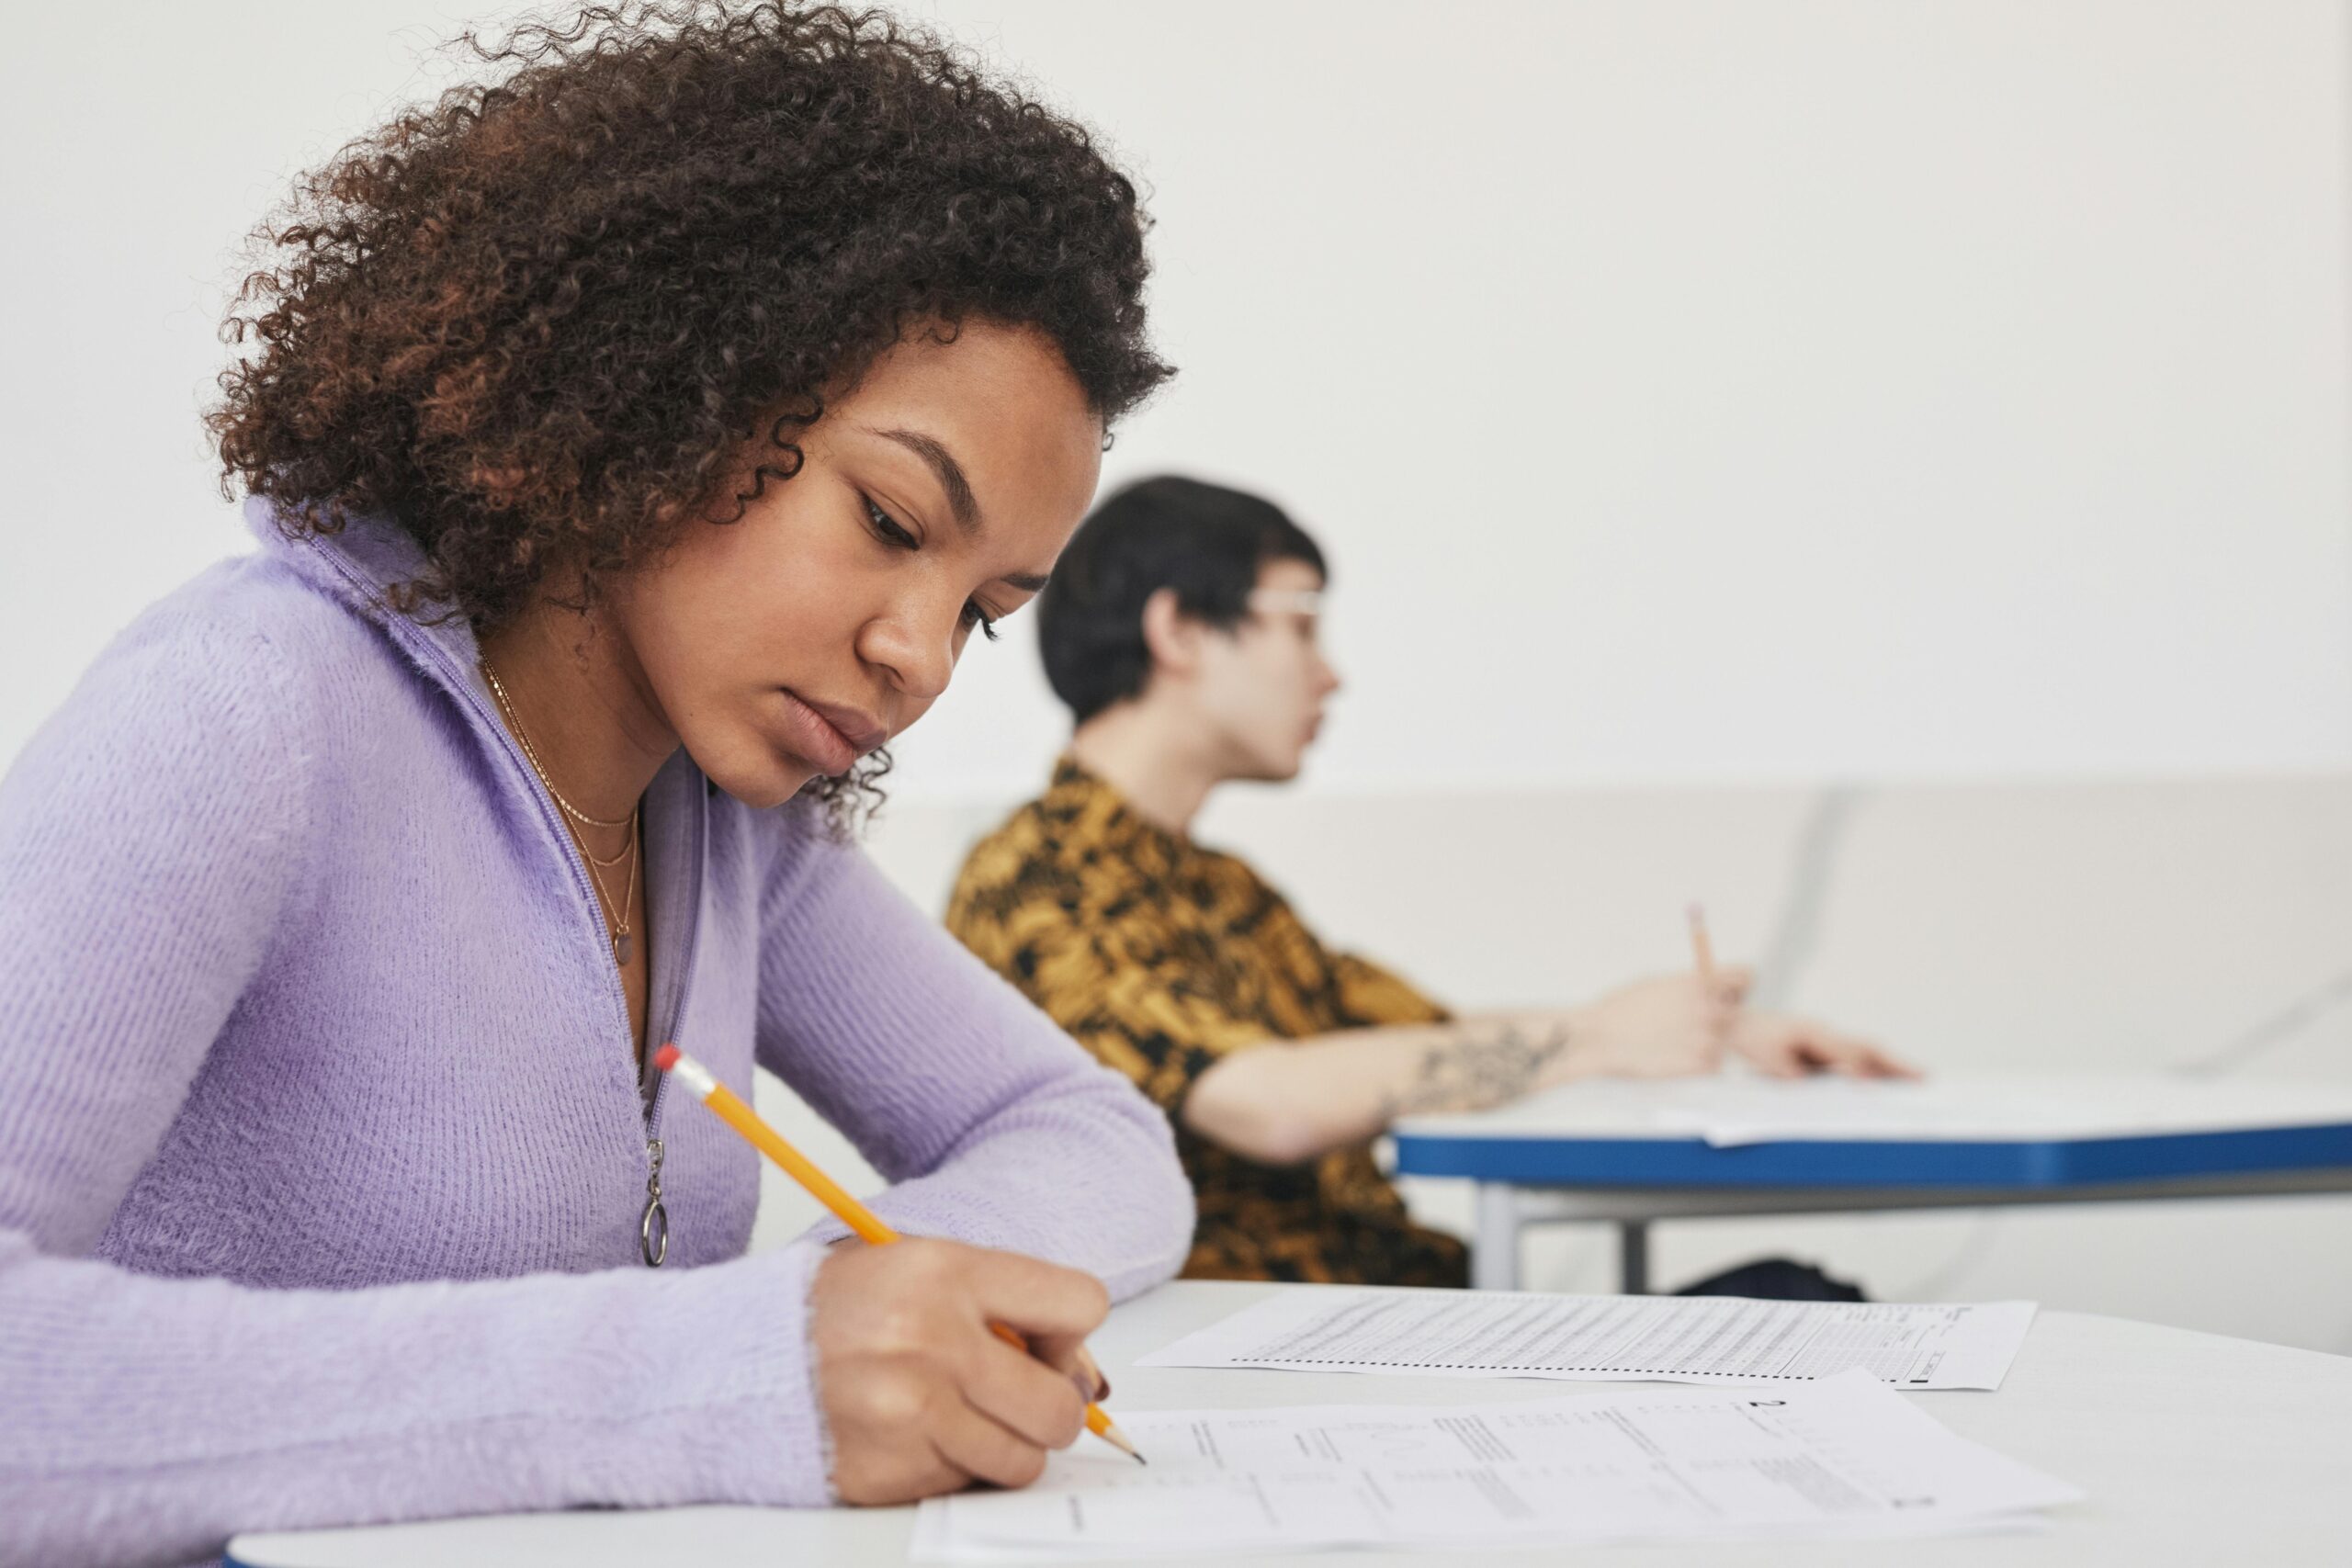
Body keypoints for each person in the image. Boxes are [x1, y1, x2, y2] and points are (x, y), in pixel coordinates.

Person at [0, 10, 1198, 1563]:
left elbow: (1093, 1135)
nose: (920, 657)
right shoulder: (246, 707)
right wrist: (727, 1366)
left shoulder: (725, 822)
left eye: (983, 609)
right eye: (895, 520)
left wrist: (891, 1326)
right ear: (665, 385)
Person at [946, 476, 1912, 1289]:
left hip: (1390, 1305)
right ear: (1181, 630)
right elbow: (1265, 1100)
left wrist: (1706, 1032)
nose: (1330, 676)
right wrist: (1597, 1035)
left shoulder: (1220, 890)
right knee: (1797, 1301)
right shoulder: (1038, 881)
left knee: (1798, 1301)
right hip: (1269, 1350)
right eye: (1301, 625)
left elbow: (1422, 1041)